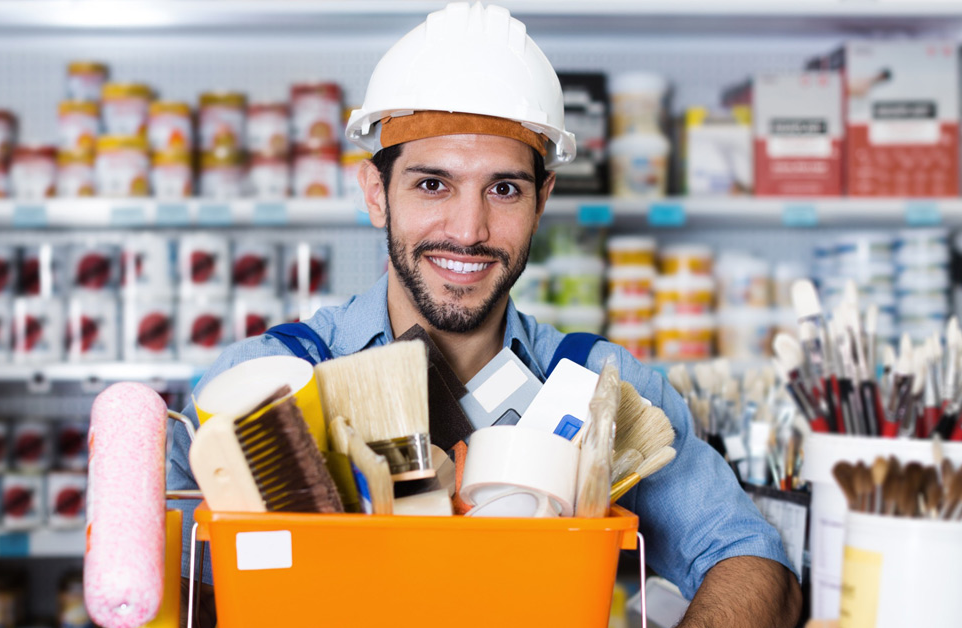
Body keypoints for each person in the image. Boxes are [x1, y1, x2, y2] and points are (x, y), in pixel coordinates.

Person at [170, 3, 801, 626]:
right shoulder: (263, 386)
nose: (469, 231)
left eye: (503, 189)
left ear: (542, 200)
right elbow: (170, 587)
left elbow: (753, 559)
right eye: (432, 184)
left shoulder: (601, 387)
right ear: (374, 194)